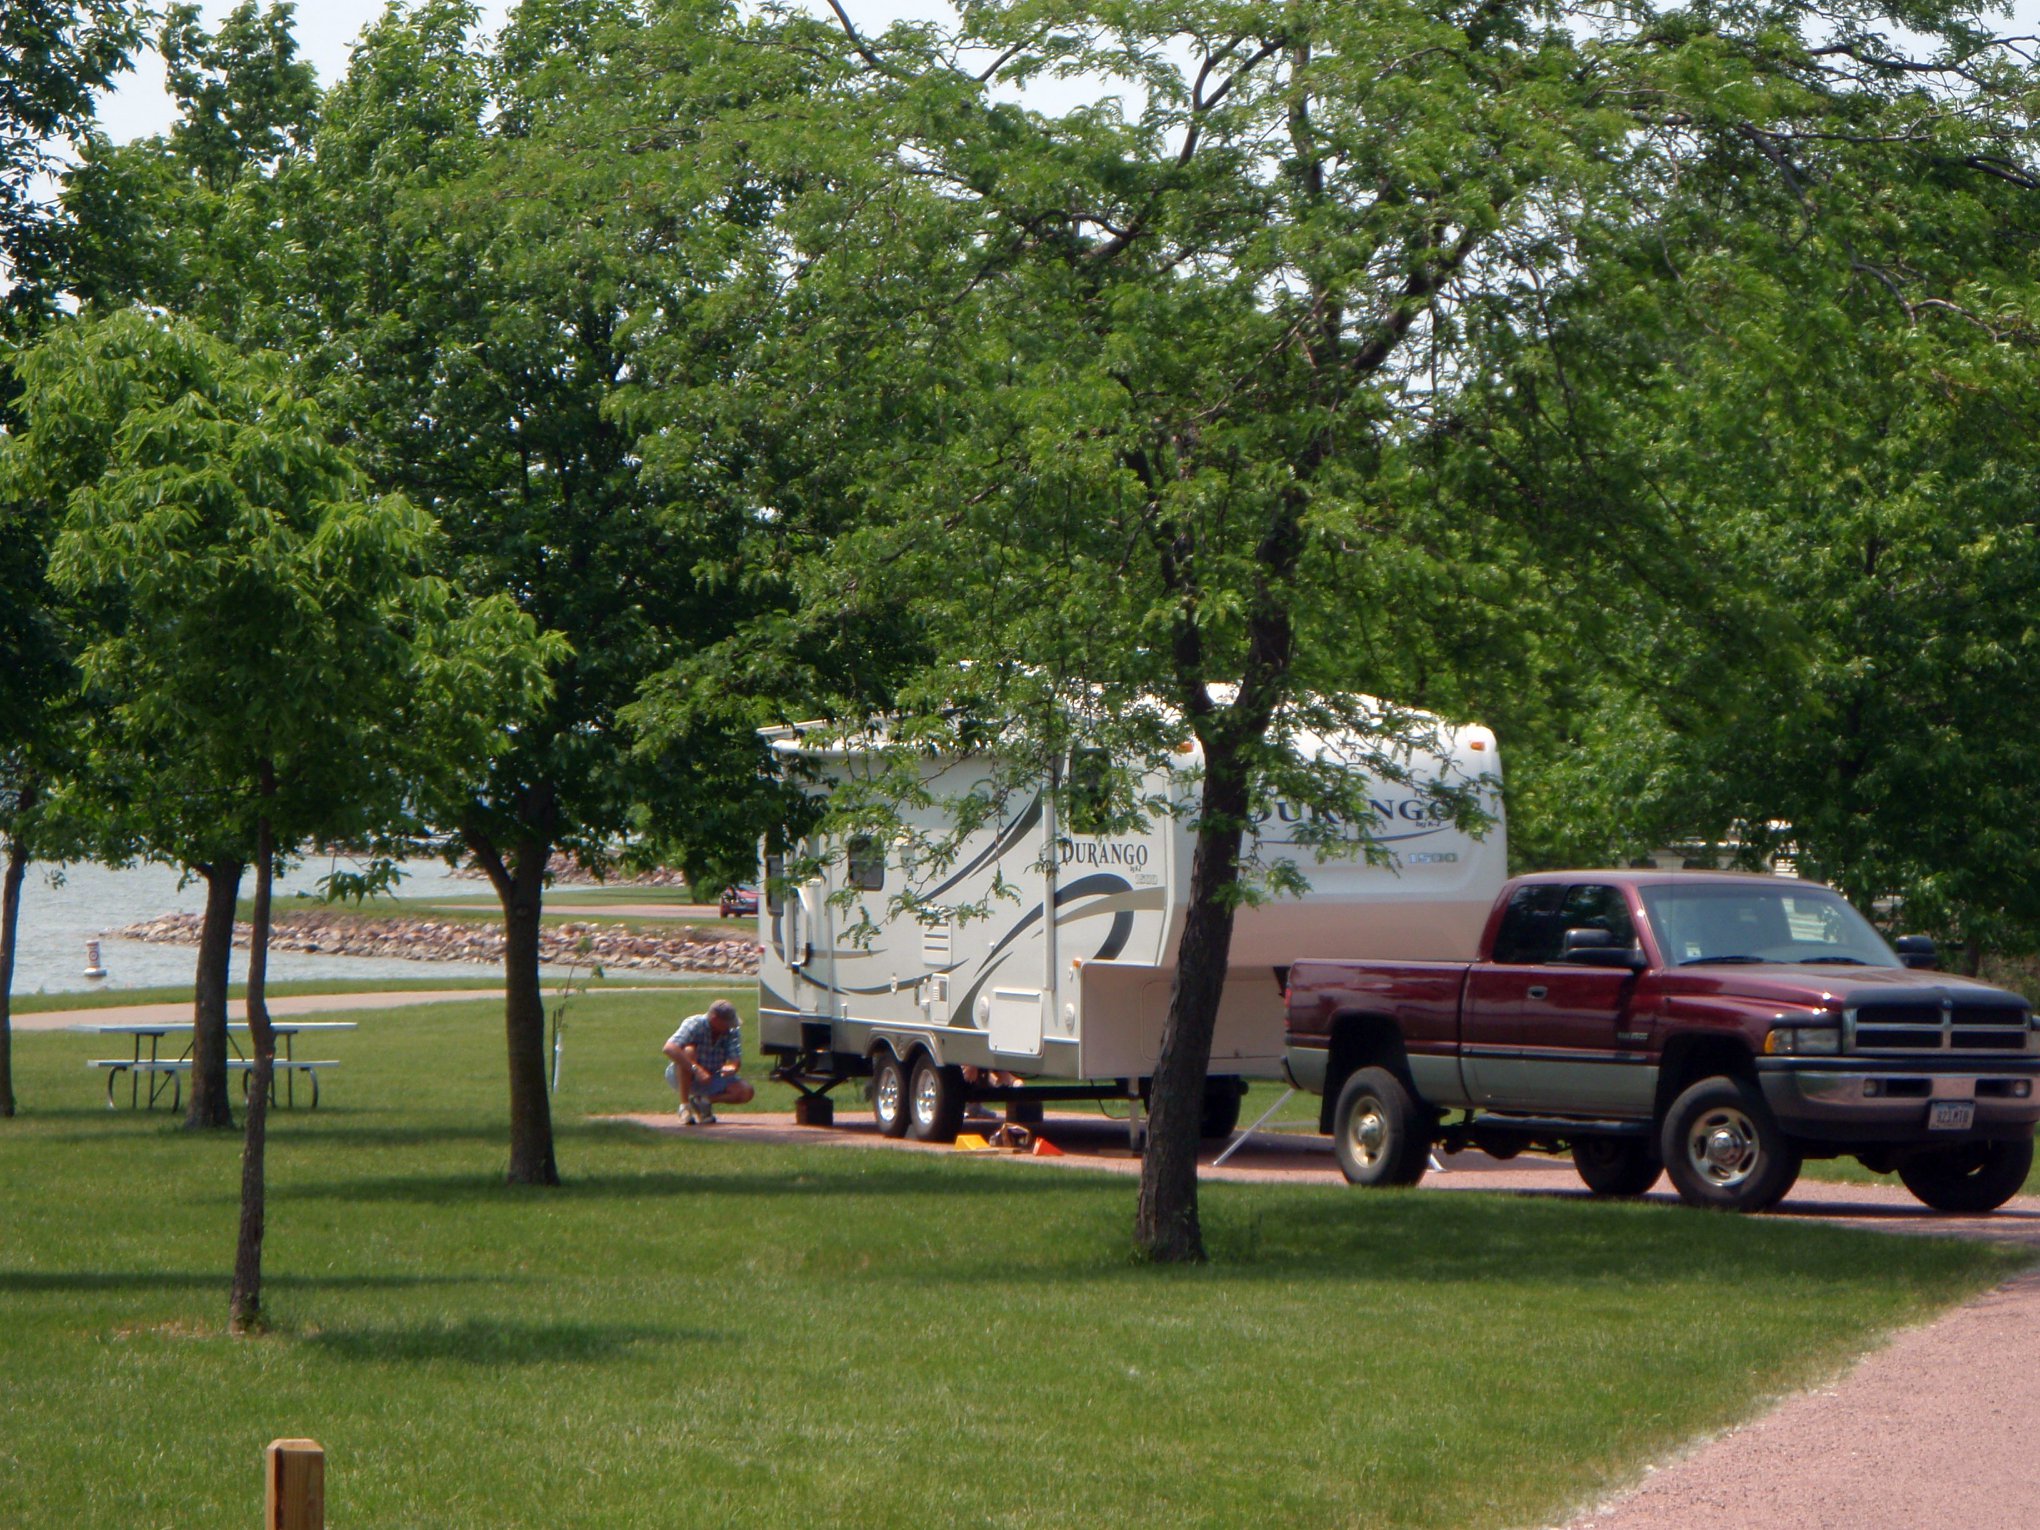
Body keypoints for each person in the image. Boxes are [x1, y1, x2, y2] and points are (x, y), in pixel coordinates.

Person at [663, 1000, 754, 1124]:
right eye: (727, 1023)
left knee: (746, 1091)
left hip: (713, 1076)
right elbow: (669, 1048)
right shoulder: (694, 1024)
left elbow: (735, 1059)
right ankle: (685, 1107)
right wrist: (697, 1070)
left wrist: (732, 1067)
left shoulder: (732, 1031)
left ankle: (703, 1101)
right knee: (687, 1051)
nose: (730, 1027)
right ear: (715, 1019)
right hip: (684, 1075)